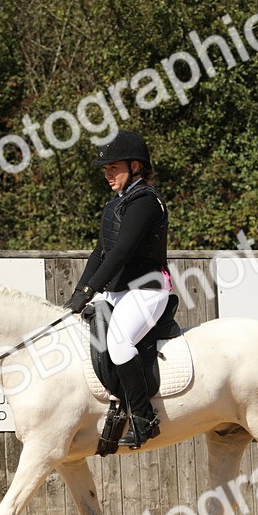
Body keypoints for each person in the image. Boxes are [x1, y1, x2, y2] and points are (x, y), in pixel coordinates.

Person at [65, 129, 172, 449]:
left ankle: (143, 417)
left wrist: (89, 291)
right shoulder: (117, 203)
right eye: (106, 169)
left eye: (114, 168)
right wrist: (78, 294)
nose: (108, 174)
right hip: (116, 292)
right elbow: (100, 252)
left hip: (146, 290)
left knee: (119, 343)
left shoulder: (146, 203)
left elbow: (121, 252)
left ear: (136, 166)